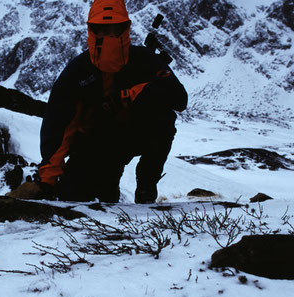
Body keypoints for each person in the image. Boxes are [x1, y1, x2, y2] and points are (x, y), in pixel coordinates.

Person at [20, 0, 187, 203]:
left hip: (136, 133)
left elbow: (179, 98)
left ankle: (146, 188)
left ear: (125, 28)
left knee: (163, 117)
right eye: (102, 29)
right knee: (77, 199)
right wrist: (47, 180)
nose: (109, 35)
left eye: (115, 29)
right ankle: (107, 188)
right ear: (92, 31)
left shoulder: (144, 60)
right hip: (96, 144)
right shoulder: (77, 73)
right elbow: (59, 127)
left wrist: (129, 95)